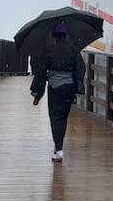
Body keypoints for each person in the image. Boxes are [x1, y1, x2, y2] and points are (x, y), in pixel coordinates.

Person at [30, 21, 85, 162]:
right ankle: (58, 146)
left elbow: (41, 72)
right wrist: (76, 87)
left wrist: (37, 94)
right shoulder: (73, 50)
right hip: (69, 88)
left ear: (54, 36)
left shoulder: (50, 50)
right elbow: (80, 68)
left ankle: (59, 150)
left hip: (55, 88)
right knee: (63, 118)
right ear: (65, 35)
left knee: (55, 118)